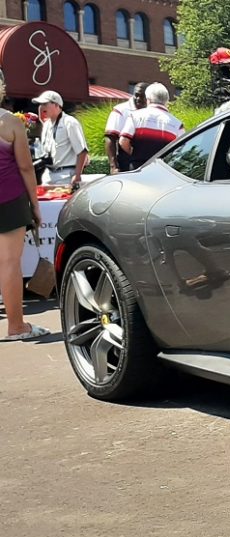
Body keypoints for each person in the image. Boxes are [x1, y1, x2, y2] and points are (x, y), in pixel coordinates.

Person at [0, 75, 50, 341]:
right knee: (9, 263)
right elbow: (26, 167)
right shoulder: (10, 122)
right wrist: (35, 204)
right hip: (8, 198)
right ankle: (16, 326)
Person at [119, 83, 185, 170]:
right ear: (167, 100)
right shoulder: (177, 124)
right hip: (164, 170)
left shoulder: (134, 116)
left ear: (148, 99)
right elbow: (181, 150)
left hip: (137, 167)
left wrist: (135, 154)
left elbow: (123, 141)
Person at [33, 90, 87, 187]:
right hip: (48, 174)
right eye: (40, 104)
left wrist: (77, 175)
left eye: (45, 104)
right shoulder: (47, 124)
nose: (42, 107)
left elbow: (82, 151)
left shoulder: (69, 122)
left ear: (56, 105)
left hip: (66, 174)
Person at [104, 82, 148, 174]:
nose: (138, 99)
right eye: (136, 95)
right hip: (126, 162)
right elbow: (110, 138)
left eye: (142, 96)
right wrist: (113, 166)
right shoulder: (121, 110)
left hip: (147, 163)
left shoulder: (152, 112)